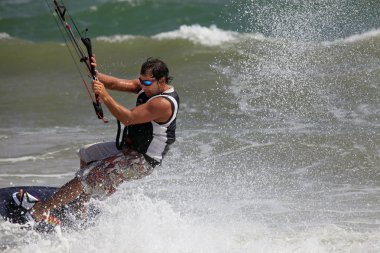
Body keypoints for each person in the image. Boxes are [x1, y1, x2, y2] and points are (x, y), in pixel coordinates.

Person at [28, 57, 180, 223]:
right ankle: (81, 209)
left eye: (147, 83)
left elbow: (128, 118)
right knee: (86, 154)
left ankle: (42, 210)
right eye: (141, 81)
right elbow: (114, 83)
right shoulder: (148, 86)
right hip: (129, 149)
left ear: (162, 80)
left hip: (142, 160)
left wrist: (104, 95)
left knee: (85, 178)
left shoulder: (163, 103)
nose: (143, 86)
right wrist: (94, 73)